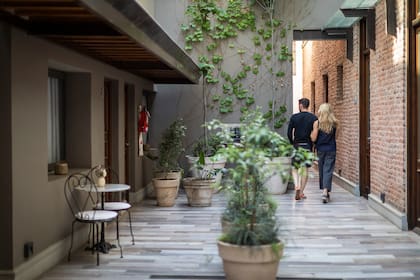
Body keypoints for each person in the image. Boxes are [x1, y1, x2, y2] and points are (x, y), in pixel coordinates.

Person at [287, 98, 318, 200]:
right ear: (308, 105)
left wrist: (292, 143)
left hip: (297, 145)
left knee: (295, 168)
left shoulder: (294, 117)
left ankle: (297, 185)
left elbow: (289, 133)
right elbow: (315, 134)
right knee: (305, 170)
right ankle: (301, 192)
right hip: (307, 146)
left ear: (300, 105)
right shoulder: (313, 118)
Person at [310, 103, 338, 203]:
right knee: (328, 170)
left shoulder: (317, 123)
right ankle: (326, 191)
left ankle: (324, 191)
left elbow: (313, 138)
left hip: (321, 149)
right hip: (331, 149)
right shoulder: (334, 123)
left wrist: (311, 134)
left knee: (322, 170)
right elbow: (336, 137)